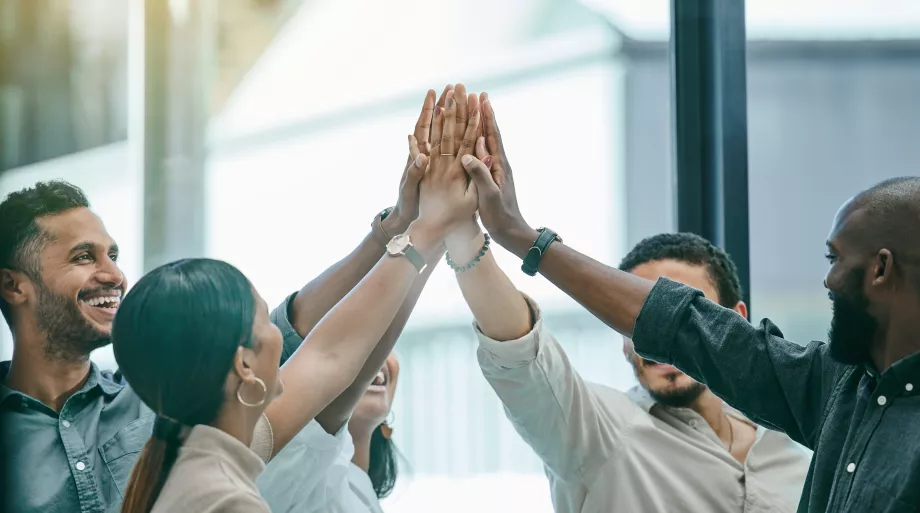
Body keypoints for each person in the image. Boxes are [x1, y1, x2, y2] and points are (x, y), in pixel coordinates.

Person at [0, 87, 459, 513]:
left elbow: (325, 352)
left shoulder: (172, 411)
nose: (113, 274)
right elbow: (322, 352)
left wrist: (405, 226)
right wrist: (426, 230)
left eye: (114, 255)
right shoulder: (207, 465)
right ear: (12, 286)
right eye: (84, 257)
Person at [459, 93, 920, 511]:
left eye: (834, 258)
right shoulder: (835, 387)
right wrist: (509, 235)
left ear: (880, 269)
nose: (827, 278)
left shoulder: (795, 428)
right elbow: (675, 324)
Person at [258, 83, 482, 513]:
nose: (277, 339)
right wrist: (431, 226)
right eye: (259, 333)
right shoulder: (255, 464)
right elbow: (331, 354)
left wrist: (430, 223)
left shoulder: (353, 486)